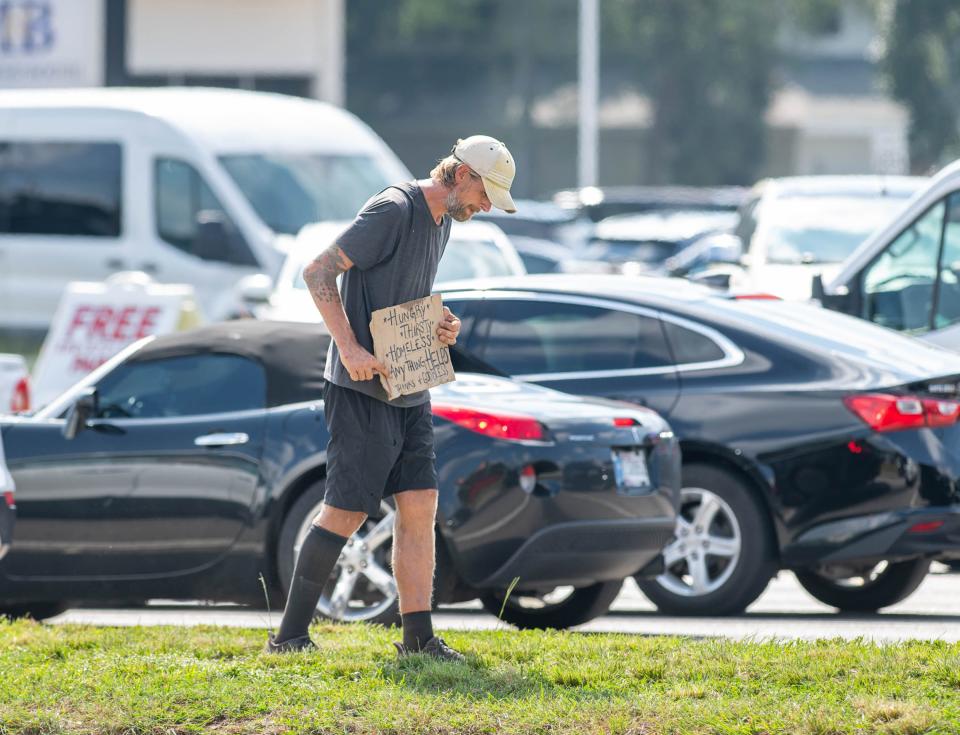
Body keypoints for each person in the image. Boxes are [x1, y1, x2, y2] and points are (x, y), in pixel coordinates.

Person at [265, 135, 517, 660]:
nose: (486, 206)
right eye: (485, 193)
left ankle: (418, 640)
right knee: (345, 511)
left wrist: (441, 323)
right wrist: (351, 348)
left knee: (421, 506)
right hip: (361, 386)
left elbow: (405, 296)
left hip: (409, 385)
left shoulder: (444, 220)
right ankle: (287, 638)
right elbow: (318, 273)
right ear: (463, 174)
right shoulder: (393, 209)